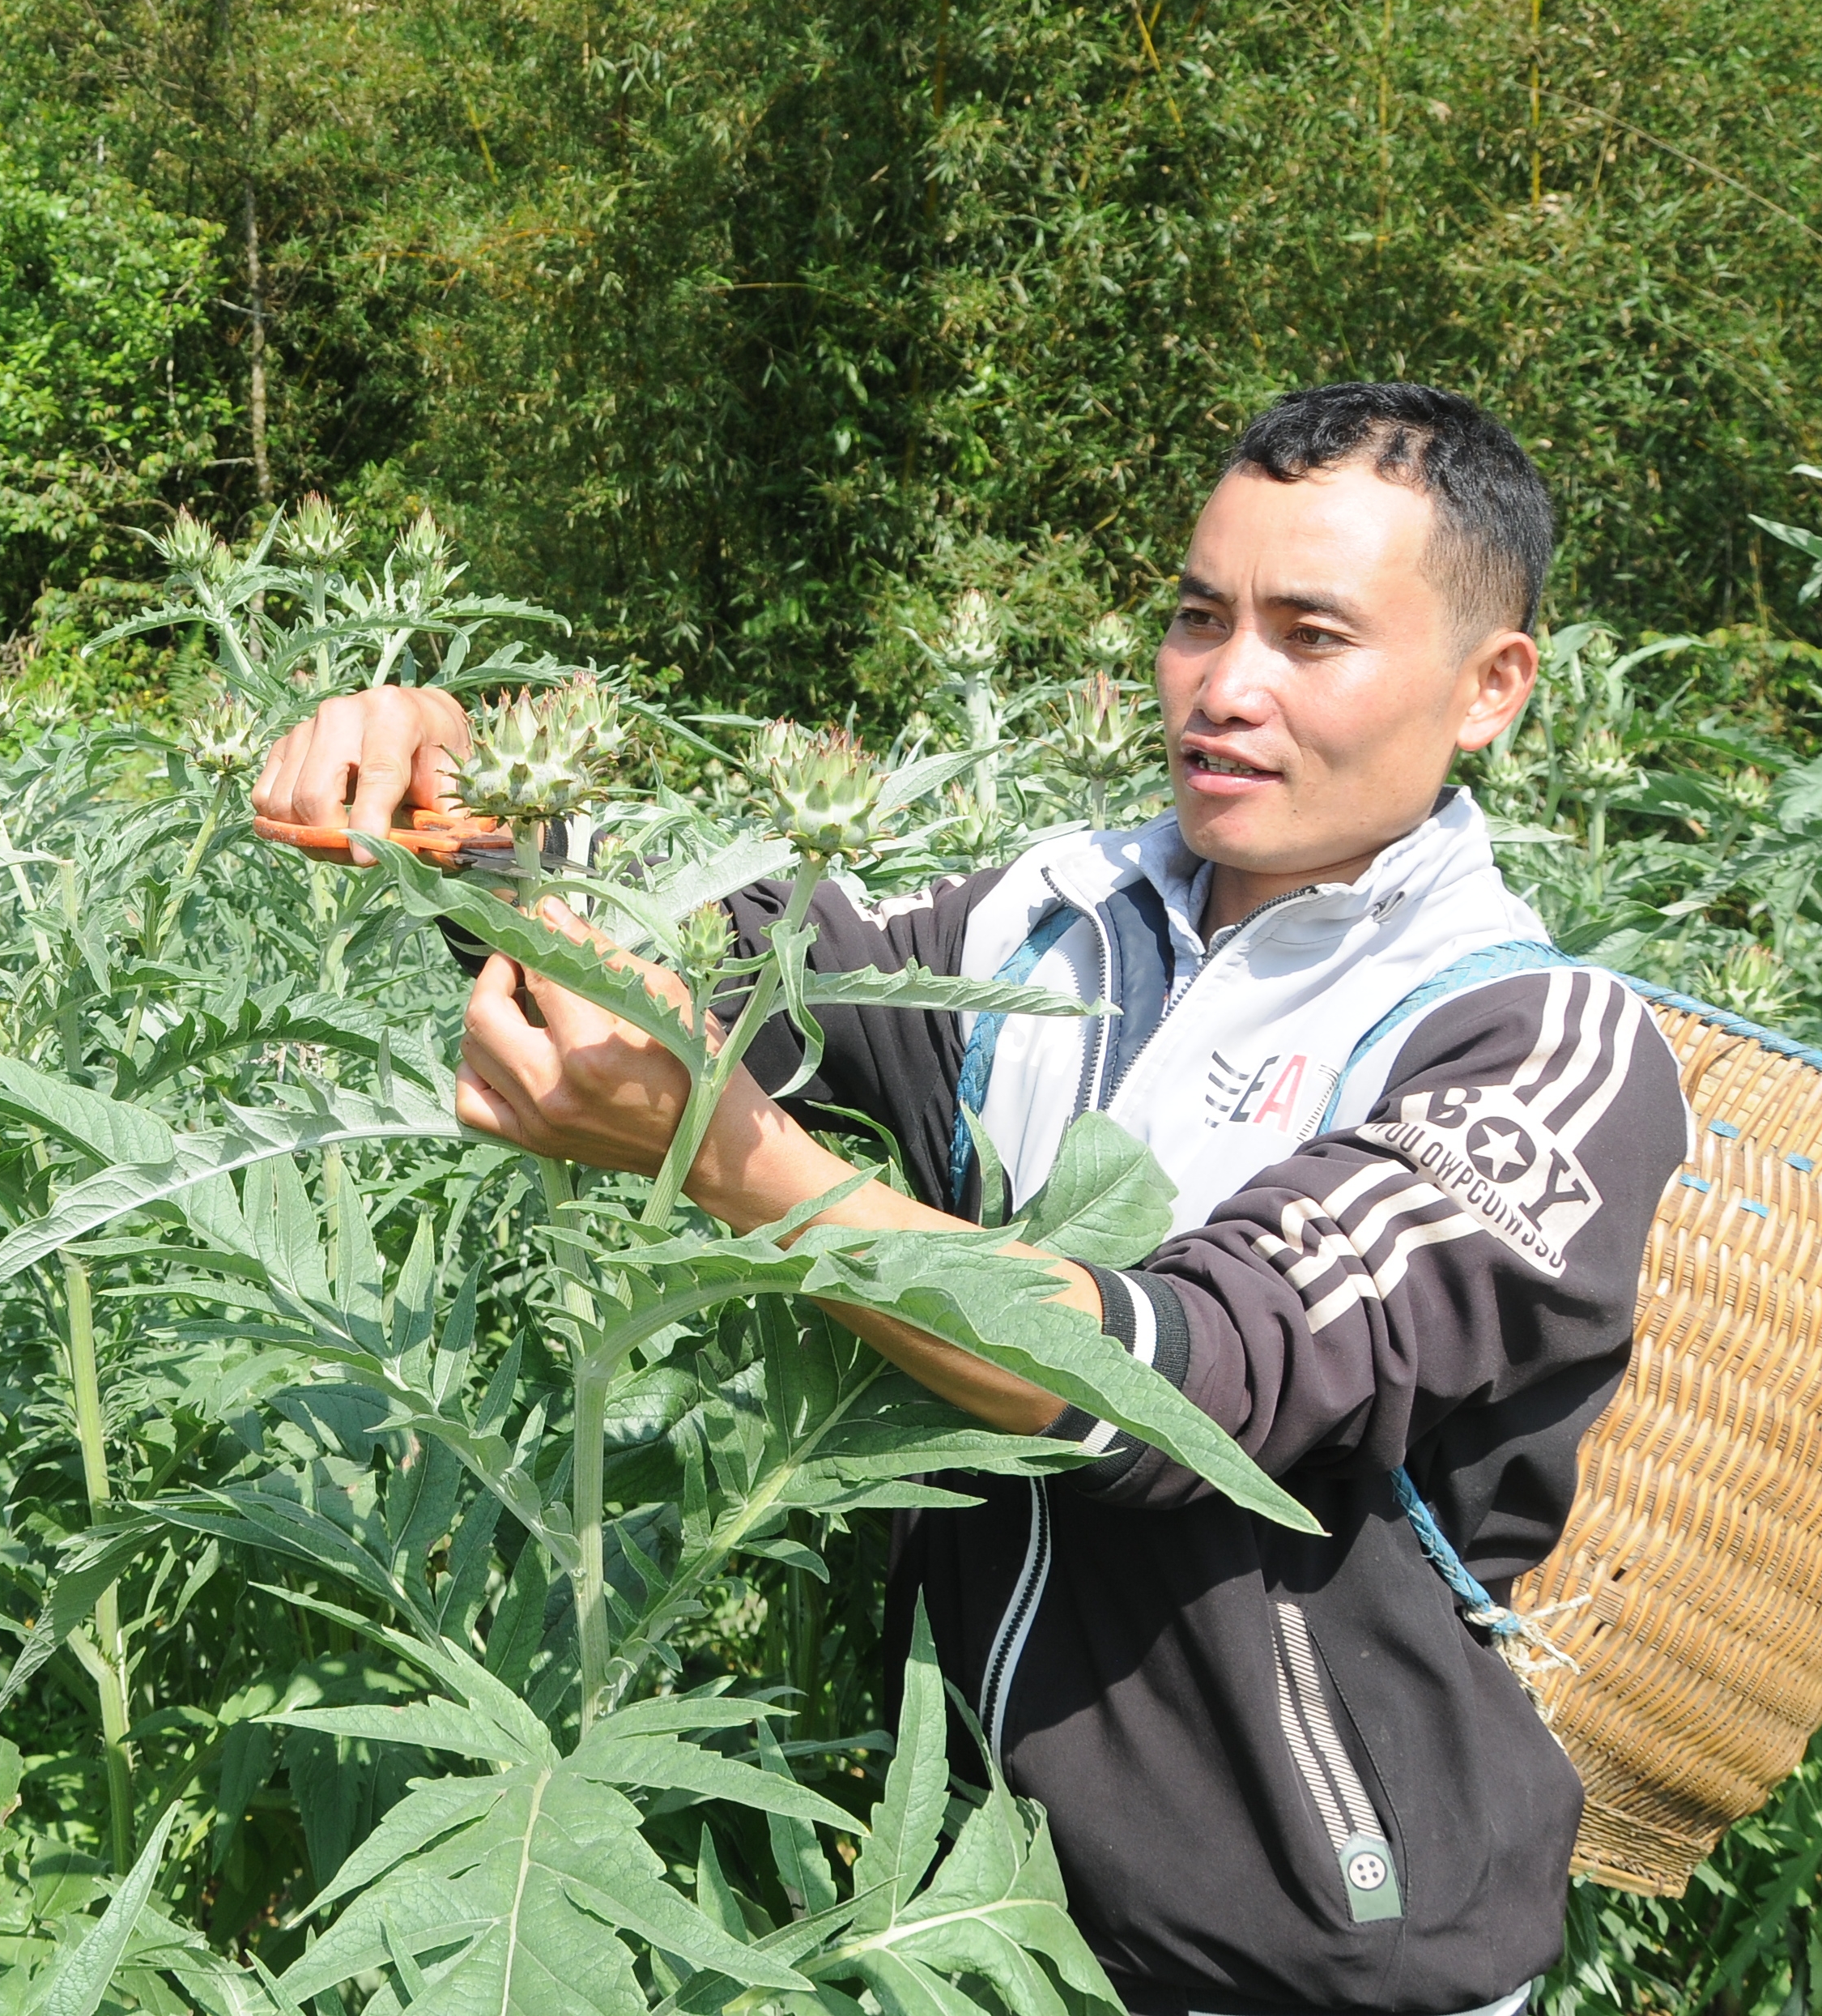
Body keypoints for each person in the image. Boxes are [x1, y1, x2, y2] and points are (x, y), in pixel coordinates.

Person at [249, 382, 1689, 2016]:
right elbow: (732, 968)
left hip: (1298, 1960)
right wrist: (471, 800)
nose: (1223, 687)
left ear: (1489, 683)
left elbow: (1175, 1378)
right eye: (1192, 615)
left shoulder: (1537, 1043)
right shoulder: (1045, 922)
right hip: (952, 1920)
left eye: (1308, 636)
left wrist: (730, 1159)